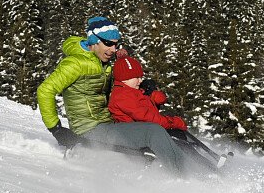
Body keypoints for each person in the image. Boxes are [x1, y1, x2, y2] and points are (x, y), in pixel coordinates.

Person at [36, 16, 188, 174]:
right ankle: (185, 177)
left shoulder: (102, 61)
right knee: (153, 132)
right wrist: (56, 129)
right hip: (91, 129)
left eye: (115, 44)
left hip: (110, 123)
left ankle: (191, 164)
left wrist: (141, 85)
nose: (113, 49)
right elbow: (45, 90)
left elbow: (117, 85)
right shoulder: (75, 64)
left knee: (168, 130)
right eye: (109, 44)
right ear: (94, 41)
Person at [108, 56, 188, 131]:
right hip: (136, 135)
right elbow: (146, 118)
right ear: (124, 79)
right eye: (137, 77)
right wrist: (173, 122)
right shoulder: (122, 96)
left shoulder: (131, 91)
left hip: (145, 132)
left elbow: (147, 108)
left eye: (141, 77)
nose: (140, 80)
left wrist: (153, 97)